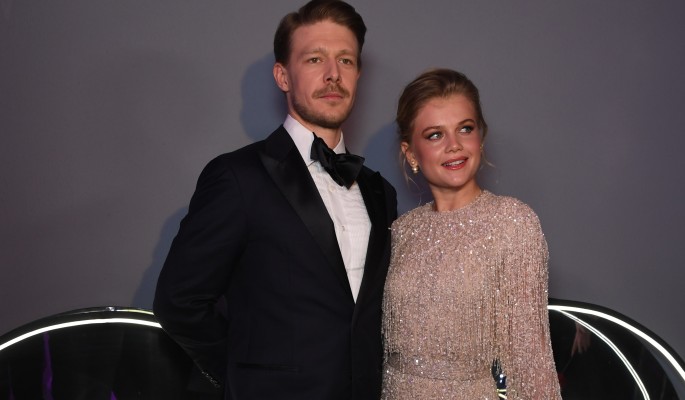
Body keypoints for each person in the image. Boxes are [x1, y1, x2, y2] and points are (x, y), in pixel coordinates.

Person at [153, 1, 397, 399]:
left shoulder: (379, 191)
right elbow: (178, 301)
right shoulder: (237, 177)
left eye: (346, 61)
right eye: (315, 59)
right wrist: (243, 379)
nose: (333, 74)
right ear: (283, 76)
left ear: (357, 75)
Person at [381, 68, 562, 399]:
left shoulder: (512, 222)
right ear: (411, 153)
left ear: (481, 137)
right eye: (435, 135)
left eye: (465, 129)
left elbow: (531, 362)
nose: (454, 145)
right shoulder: (402, 230)